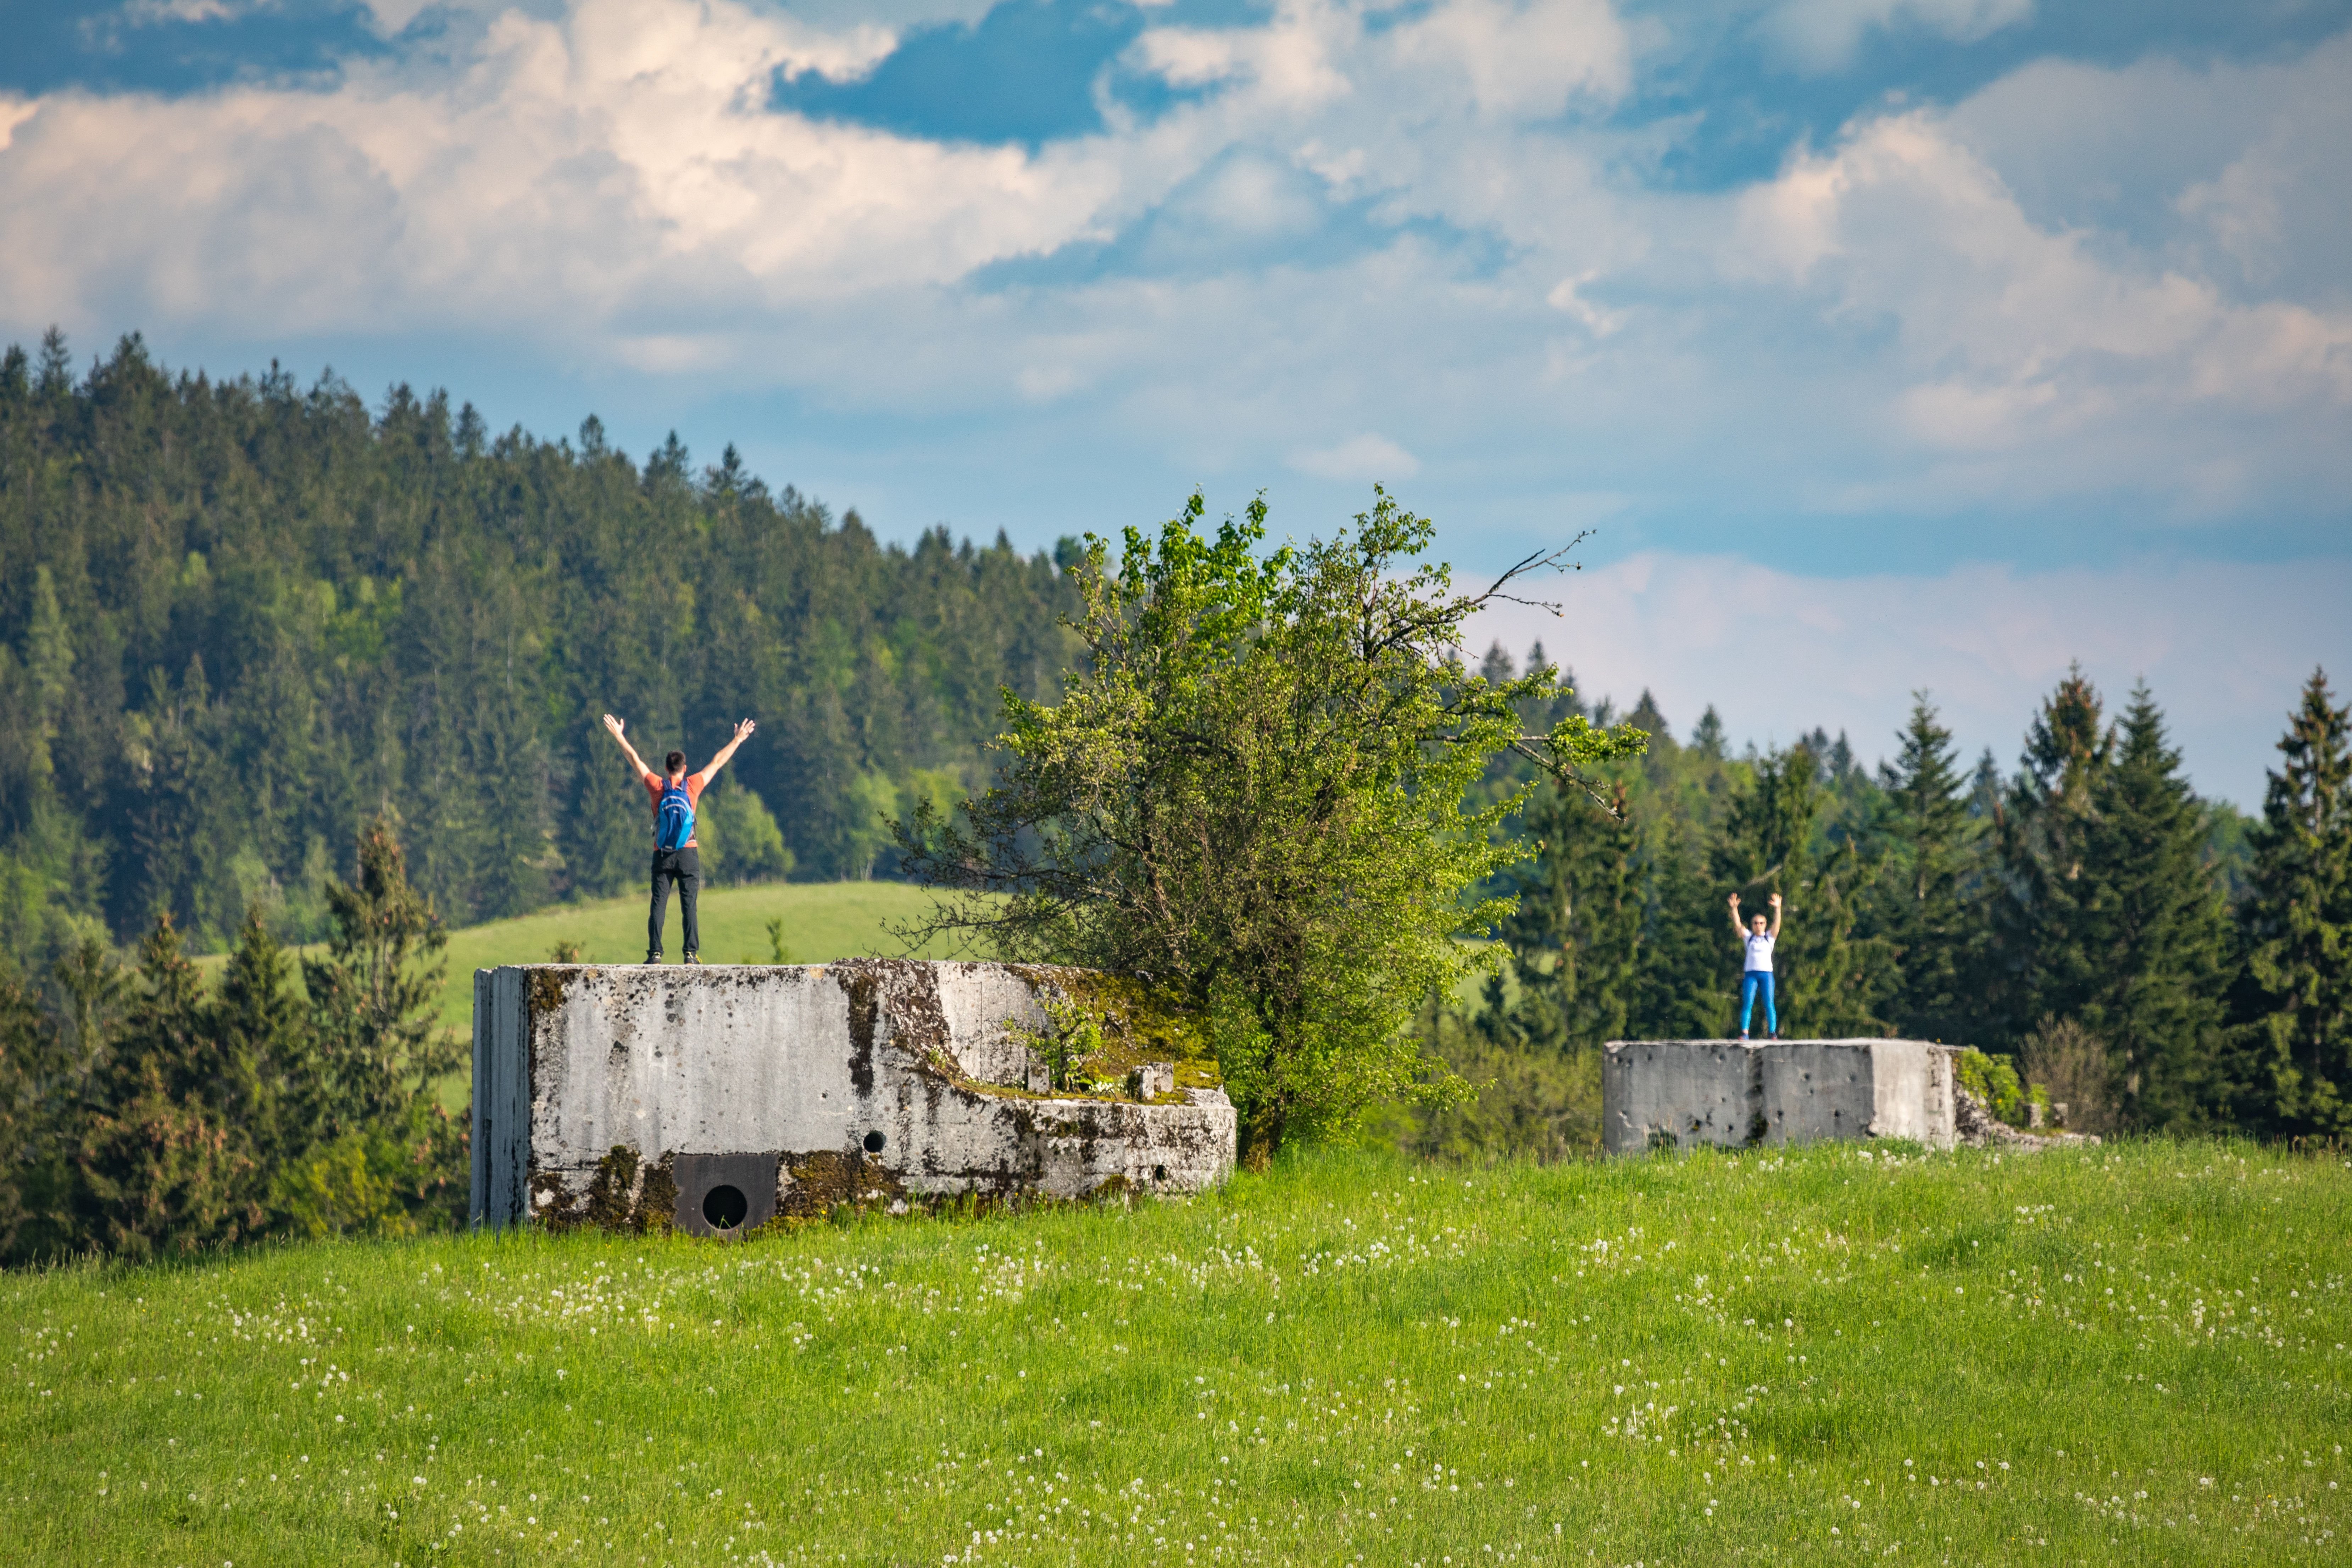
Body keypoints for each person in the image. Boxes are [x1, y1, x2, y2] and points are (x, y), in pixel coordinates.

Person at [602, 713, 756, 964]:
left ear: (666, 768)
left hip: (662, 853)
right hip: (688, 852)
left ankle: (655, 954)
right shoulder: (693, 785)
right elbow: (717, 762)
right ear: (684, 769)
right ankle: (690, 954)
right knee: (689, 905)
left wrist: (619, 735)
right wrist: (738, 739)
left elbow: (634, 759)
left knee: (658, 904)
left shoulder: (656, 786)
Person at [1728, 890, 1783, 1041]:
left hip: (1766, 975)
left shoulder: (1769, 938)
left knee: (1769, 1004)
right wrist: (1734, 909)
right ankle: (1745, 1033)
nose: (1759, 925)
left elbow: (1777, 925)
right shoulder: (1749, 938)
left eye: (1762, 923)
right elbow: (1738, 925)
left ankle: (1772, 1032)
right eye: (1756, 923)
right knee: (1748, 1004)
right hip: (1751, 975)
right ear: (1752, 925)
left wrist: (1778, 908)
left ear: (1765, 925)